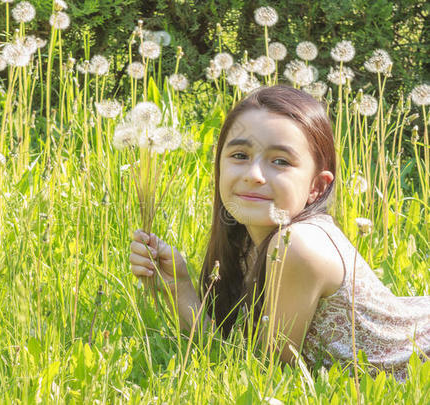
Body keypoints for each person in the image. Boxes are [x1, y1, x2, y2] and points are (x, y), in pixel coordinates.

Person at [129, 85, 430, 381]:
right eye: (239, 155)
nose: (254, 175)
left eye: (280, 161)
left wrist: (183, 296)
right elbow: (235, 351)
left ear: (317, 186)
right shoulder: (248, 241)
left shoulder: (298, 245)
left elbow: (261, 373)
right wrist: (178, 285)